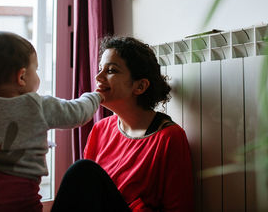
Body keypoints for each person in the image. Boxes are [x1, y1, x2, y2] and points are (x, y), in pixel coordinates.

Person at [0, 31, 103, 212]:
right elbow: (77, 113)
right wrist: (96, 96)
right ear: (21, 76)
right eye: (35, 70)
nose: (37, 75)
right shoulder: (37, 105)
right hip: (19, 202)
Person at [52, 36, 194, 212]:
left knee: (82, 170)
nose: (98, 76)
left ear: (140, 86)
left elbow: (179, 207)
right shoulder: (101, 129)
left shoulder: (168, 137)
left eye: (111, 70)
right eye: (100, 69)